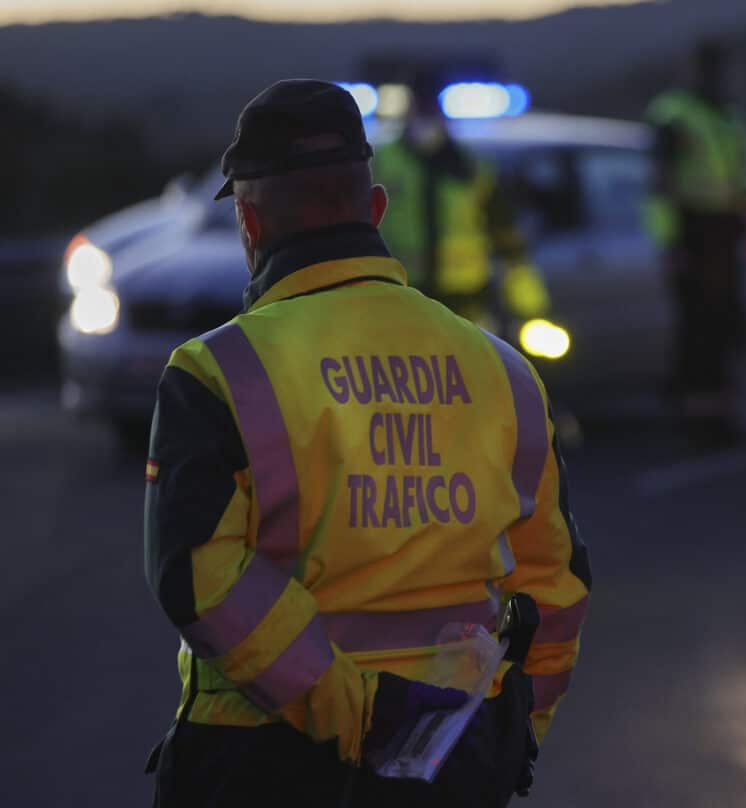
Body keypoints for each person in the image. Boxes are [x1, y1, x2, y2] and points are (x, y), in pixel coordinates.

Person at [142, 79, 591, 807]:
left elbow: (198, 576)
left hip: (261, 761)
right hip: (456, 755)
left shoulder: (217, 372)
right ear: (377, 209)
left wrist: (357, 716)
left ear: (249, 225)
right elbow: (555, 583)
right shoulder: (504, 372)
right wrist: (514, 729)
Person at [371, 72, 550, 334]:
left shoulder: (472, 167)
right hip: (400, 299)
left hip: (466, 301)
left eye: (431, 106)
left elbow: (507, 239)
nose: (425, 115)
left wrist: (530, 307)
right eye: (419, 106)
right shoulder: (381, 162)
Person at [646, 40, 746, 443]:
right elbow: (660, 187)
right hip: (695, 234)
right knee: (700, 330)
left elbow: (739, 175)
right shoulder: (674, 117)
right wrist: (672, 243)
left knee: (726, 325)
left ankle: (719, 415)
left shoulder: (727, 116)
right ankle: (697, 420)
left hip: (726, 233)